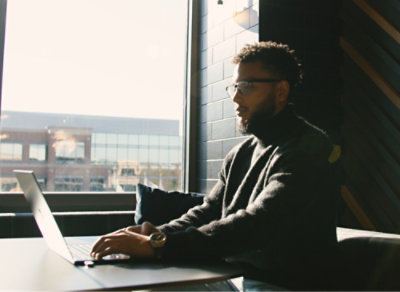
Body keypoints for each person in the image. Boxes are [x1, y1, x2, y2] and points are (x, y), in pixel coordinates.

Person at [91, 41, 341, 289]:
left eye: (246, 86)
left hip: (287, 285)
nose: (235, 97)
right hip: (237, 276)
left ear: (280, 91)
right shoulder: (241, 153)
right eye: (234, 86)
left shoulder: (309, 147)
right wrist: (155, 234)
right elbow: (208, 211)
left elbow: (259, 224)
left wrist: (158, 246)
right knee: (148, 283)